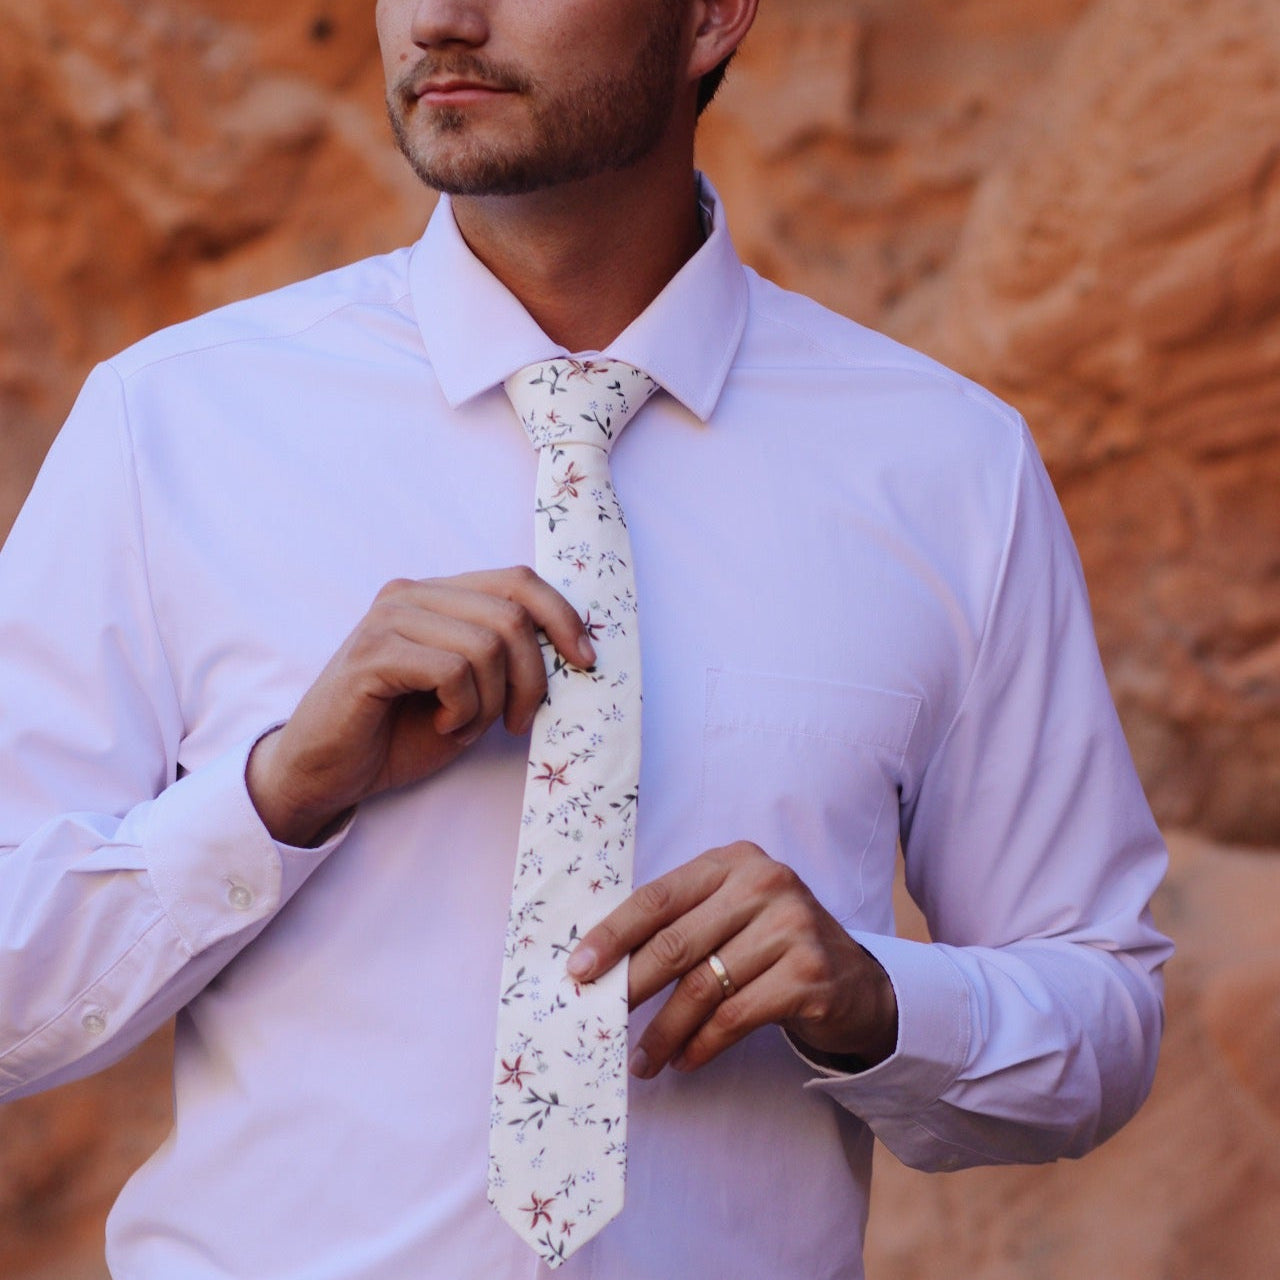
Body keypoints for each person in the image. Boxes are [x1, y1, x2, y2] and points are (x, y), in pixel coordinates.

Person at [0, 1, 1171, 1277]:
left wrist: (879, 999)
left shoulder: (944, 467)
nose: (444, 19)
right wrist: (274, 794)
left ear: (711, 16)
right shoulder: (171, 425)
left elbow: (1102, 1012)